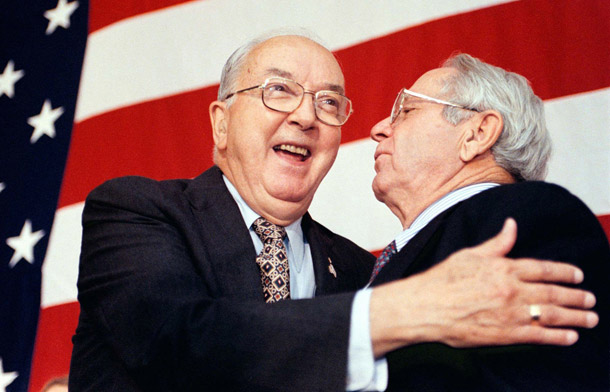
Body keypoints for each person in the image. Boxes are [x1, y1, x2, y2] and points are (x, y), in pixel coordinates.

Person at [69, 32, 599, 391]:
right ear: (221, 123)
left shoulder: (357, 269)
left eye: (328, 102)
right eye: (279, 90)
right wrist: (402, 311)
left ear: (479, 134)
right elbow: (175, 339)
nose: (306, 115)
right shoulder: (135, 211)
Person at [368, 53, 610, 391]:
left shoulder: (527, 219)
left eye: (406, 111)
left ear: (477, 133)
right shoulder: (374, 263)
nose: (378, 129)